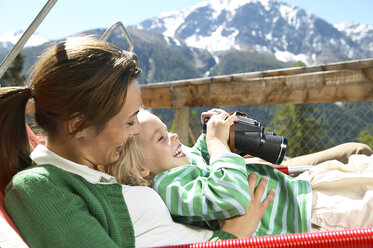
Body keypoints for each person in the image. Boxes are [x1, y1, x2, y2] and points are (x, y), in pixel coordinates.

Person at [0, 36, 273, 248]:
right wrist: (234, 234)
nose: (134, 132)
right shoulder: (42, 190)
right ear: (78, 124)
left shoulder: (94, 165)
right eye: (129, 122)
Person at [113, 108, 373, 237]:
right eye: (161, 138)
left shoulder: (179, 168)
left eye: (167, 128)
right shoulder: (170, 188)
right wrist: (217, 144)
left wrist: (212, 133)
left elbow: (205, 161)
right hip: (309, 216)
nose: (174, 135)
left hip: (303, 193)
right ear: (140, 170)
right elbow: (228, 196)